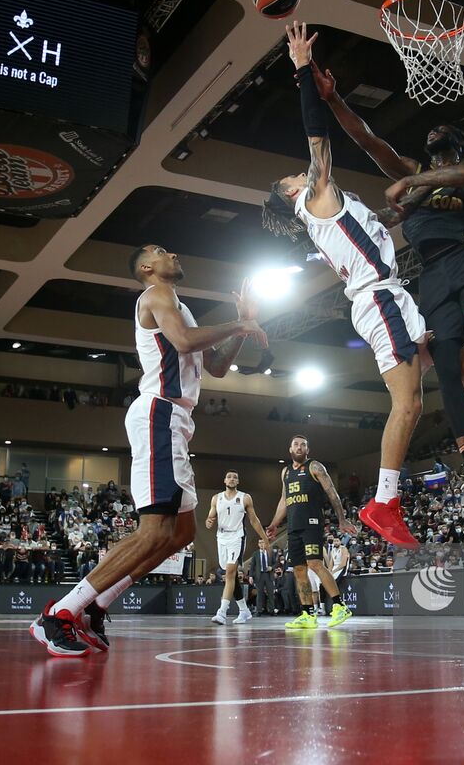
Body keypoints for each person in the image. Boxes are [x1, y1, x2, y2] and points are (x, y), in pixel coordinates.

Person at [263, 23, 464, 535]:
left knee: (462, 361)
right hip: (379, 300)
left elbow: (379, 221)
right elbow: (319, 137)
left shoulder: (331, 210)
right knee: (409, 401)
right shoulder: (314, 195)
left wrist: (400, 216)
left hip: (388, 296)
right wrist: (301, 71)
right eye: (291, 177)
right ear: (290, 193)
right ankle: (384, 503)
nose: (300, 172)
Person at [312, 47, 464, 512]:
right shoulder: (412, 170)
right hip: (433, 276)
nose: (431, 130)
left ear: (456, 142)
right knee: (447, 366)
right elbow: (367, 140)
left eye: (441, 130)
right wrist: (333, 100)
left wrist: (411, 186)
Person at [28, 247, 266, 657]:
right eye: (160, 251)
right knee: (154, 531)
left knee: (182, 534)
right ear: (146, 268)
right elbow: (184, 341)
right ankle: (60, 614)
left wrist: (243, 331)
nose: (172, 252)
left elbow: (218, 367)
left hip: (175, 420)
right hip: (159, 413)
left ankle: (97, 605)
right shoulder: (156, 295)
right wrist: (237, 322)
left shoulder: (179, 306)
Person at [265, 435, 357, 629]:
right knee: (298, 570)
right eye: (296, 445)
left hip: (312, 523)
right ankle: (308, 614)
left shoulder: (315, 467)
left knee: (315, 563)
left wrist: (341, 519)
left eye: (303, 445)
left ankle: (340, 606)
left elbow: (332, 492)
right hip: (293, 526)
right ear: (290, 449)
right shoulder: (286, 472)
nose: (299, 447)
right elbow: (284, 500)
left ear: (308, 450)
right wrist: (274, 524)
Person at [206, 471, 268, 625]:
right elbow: (210, 517)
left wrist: (265, 538)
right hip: (221, 537)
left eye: (235, 477)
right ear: (224, 480)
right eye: (229, 476)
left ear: (238, 481)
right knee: (230, 576)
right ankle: (244, 611)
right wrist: (209, 522)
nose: (232, 479)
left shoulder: (245, 498)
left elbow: (254, 520)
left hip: (237, 537)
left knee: (230, 573)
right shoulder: (216, 498)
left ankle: (222, 612)